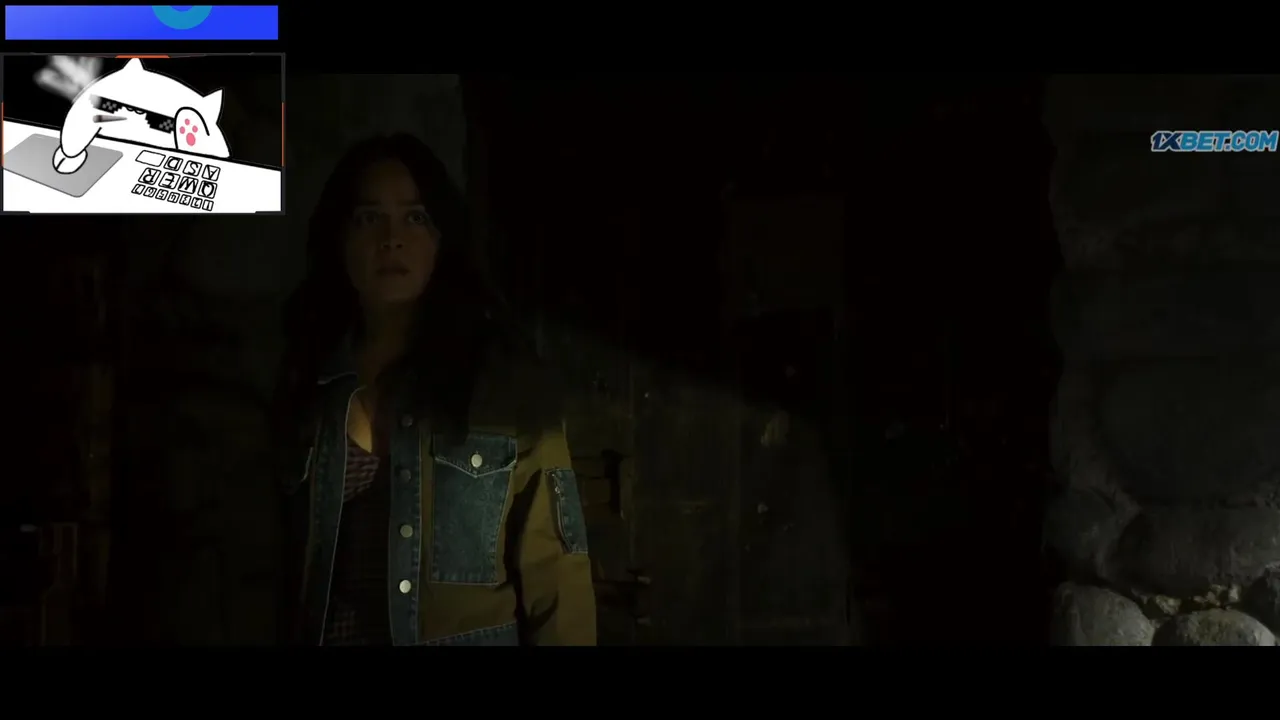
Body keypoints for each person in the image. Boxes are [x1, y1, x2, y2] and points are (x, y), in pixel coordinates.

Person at [273, 133, 596, 646]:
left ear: (443, 238)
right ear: (340, 239)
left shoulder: (506, 387)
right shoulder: (304, 380)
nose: (392, 239)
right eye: (369, 218)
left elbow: (557, 577)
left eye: (415, 217)